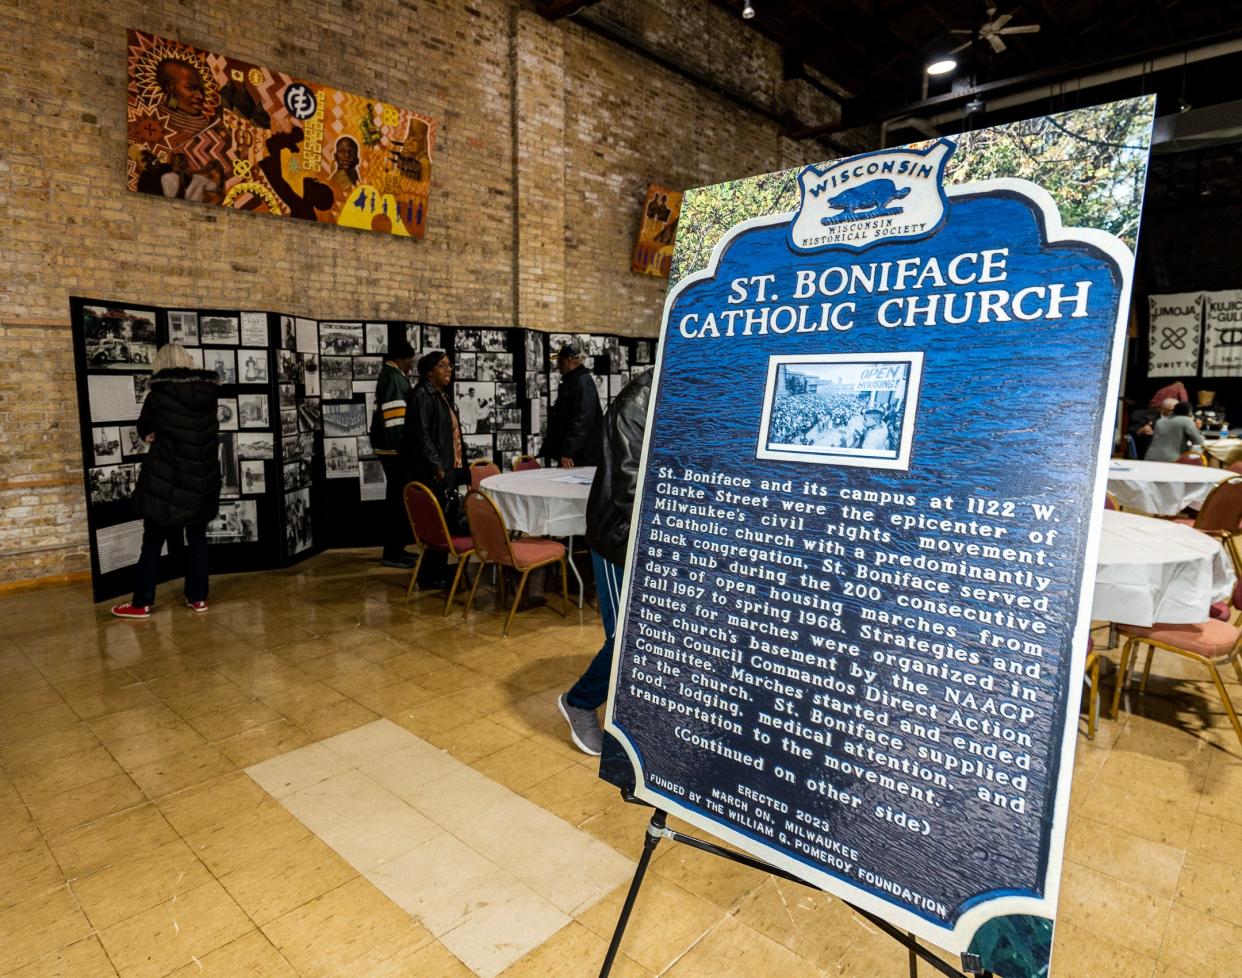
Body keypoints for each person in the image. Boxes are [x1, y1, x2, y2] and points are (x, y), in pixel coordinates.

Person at [558, 368, 653, 755]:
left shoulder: (683, 395)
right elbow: (630, 487)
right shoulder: (636, 402)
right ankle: (578, 702)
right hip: (618, 539)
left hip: (649, 539)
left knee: (645, 634)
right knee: (624, 639)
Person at [112, 344, 221, 619]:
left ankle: (141, 603)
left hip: (167, 478)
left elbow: (145, 430)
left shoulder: (158, 396)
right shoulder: (208, 394)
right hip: (200, 477)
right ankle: (198, 599)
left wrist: (153, 435)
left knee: (152, 540)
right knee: (197, 538)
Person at [402, 350, 467, 586]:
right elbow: (422, 436)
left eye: (449, 365)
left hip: (444, 467)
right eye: (442, 366)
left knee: (442, 520)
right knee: (436, 522)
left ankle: (435, 572)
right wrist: (437, 466)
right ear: (429, 371)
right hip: (431, 471)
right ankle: (431, 576)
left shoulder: (440, 394)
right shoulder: (422, 395)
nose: (449, 369)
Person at [370, 335, 418, 568]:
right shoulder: (394, 379)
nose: (412, 363)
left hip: (390, 448)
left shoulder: (392, 376)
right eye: (410, 359)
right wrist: (403, 450)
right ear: (400, 359)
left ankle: (397, 549)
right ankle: (393, 552)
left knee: (398, 499)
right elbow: (395, 420)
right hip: (394, 450)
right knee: (398, 501)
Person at [542, 342, 602, 468]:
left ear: (568, 360)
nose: (558, 366)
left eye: (560, 361)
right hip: (576, 454)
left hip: (580, 457)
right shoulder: (574, 381)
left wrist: (569, 450)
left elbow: (582, 420)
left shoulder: (582, 382)